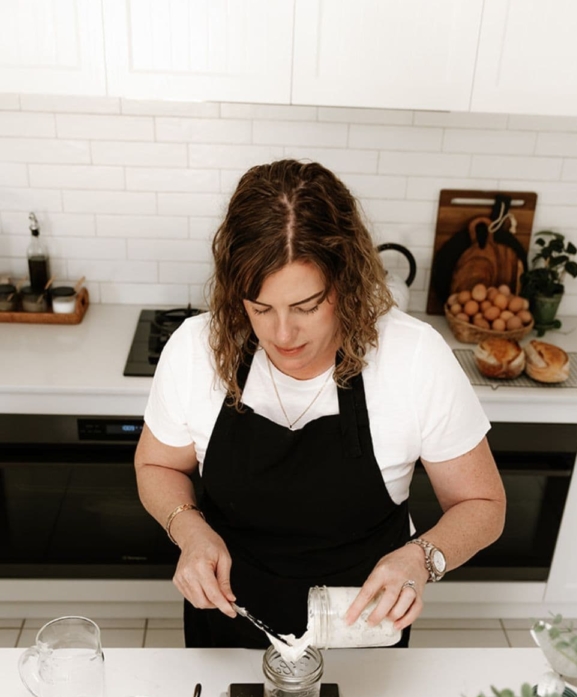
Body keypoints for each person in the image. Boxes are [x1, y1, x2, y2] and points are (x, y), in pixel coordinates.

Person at [134, 159, 506, 649]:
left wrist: (422, 557)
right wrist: (189, 529)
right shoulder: (196, 349)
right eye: (260, 308)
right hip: (226, 614)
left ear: (346, 281)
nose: (281, 334)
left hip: (360, 624)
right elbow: (156, 465)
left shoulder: (413, 357)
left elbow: (483, 505)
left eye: (306, 306)